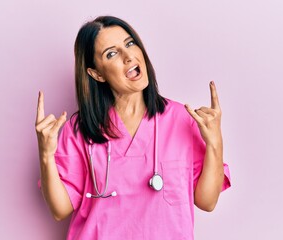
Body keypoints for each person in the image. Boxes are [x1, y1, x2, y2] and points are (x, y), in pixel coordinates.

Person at [35, 16, 231, 240]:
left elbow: (207, 201)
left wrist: (215, 141)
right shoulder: (81, 129)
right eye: (112, 53)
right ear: (96, 74)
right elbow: (60, 209)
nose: (128, 56)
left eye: (130, 43)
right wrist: (46, 154)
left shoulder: (181, 119)